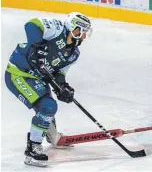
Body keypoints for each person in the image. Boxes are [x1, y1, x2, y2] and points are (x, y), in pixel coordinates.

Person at [4, 12, 92, 167]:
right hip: (19, 73)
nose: (84, 37)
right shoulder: (57, 29)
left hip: (38, 78)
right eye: (82, 32)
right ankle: (32, 150)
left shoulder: (73, 54)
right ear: (74, 29)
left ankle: (51, 135)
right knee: (48, 106)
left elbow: (60, 73)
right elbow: (31, 24)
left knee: (48, 106)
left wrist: (63, 87)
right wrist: (36, 45)